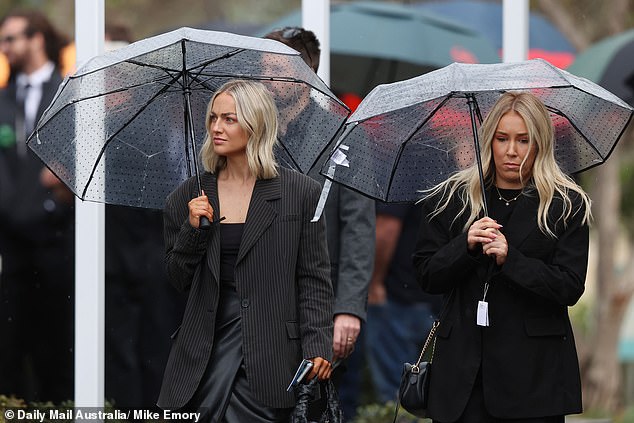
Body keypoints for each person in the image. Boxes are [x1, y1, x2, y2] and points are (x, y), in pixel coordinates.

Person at [156, 79, 334, 422]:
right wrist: (192, 231)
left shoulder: (300, 193)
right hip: (203, 355)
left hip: (270, 357)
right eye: (213, 118)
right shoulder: (187, 197)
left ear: (255, 125)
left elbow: (314, 279)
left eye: (229, 119)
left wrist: (317, 344)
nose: (216, 128)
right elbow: (176, 279)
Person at [413, 91, 592, 422]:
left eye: (524, 140)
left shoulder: (566, 204)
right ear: (488, 140)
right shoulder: (452, 199)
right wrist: (464, 246)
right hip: (463, 379)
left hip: (533, 379)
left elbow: (569, 287)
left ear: (540, 143)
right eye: (502, 138)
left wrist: (512, 260)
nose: (512, 151)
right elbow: (426, 275)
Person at [264, 24, 375, 372]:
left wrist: (349, 308)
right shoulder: (252, 135)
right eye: (262, 69)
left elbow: (358, 227)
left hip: (321, 301)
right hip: (261, 296)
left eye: (276, 70)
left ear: (306, 73)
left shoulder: (346, 135)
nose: (265, 78)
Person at [0, 10, 74, 403]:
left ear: (36, 38)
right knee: (11, 345)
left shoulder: (67, 93)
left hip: (57, 238)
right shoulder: (4, 97)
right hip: (10, 243)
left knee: (56, 345)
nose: (5, 48)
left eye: (11, 39)